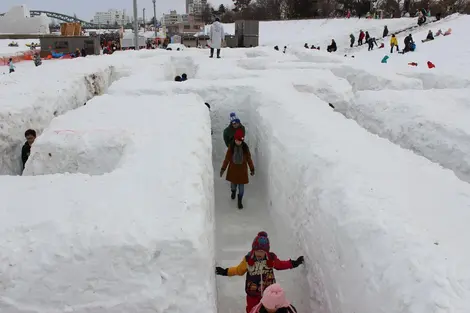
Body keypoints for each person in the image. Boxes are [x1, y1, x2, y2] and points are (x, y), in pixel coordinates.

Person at [215, 231, 304, 313]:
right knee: (252, 310)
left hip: (268, 294)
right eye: (257, 251)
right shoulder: (248, 260)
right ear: (253, 250)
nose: (259, 254)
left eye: (262, 251)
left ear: (266, 251)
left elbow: (280, 265)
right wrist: (225, 272)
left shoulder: (271, 259)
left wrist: (293, 263)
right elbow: (239, 270)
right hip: (252, 293)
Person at [220, 128, 254, 208]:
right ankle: (233, 191)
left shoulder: (245, 148)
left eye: (240, 140)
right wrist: (223, 169)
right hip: (233, 171)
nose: (238, 142)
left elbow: (249, 159)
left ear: (242, 140)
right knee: (233, 185)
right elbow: (227, 159)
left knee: (241, 189)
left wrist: (252, 168)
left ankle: (240, 201)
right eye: (237, 140)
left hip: (242, 172)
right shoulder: (231, 148)